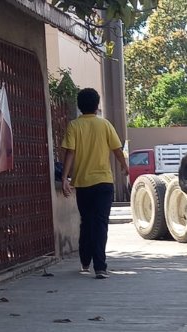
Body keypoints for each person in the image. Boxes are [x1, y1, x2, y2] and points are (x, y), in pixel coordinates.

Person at [60, 88, 127, 279]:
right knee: (100, 224)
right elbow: (117, 149)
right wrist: (125, 166)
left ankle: (85, 261)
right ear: (97, 106)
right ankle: (100, 267)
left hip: (83, 184)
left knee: (87, 222)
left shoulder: (74, 126)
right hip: (104, 182)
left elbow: (70, 153)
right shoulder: (105, 125)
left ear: (80, 106)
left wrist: (65, 178)